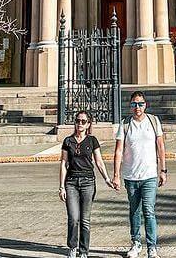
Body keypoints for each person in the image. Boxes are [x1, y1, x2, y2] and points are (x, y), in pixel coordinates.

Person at [112, 90, 167, 258]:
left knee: (149, 211)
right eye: (134, 104)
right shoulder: (125, 124)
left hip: (149, 175)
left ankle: (152, 246)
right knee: (134, 211)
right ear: (130, 106)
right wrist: (116, 175)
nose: (138, 107)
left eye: (140, 104)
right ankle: (136, 243)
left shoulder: (153, 121)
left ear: (145, 105)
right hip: (131, 176)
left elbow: (161, 147)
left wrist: (163, 170)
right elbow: (119, 150)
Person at [59, 109, 113, 258]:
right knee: (73, 218)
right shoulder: (68, 141)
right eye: (77, 121)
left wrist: (107, 179)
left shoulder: (92, 140)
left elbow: (99, 162)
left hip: (88, 182)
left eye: (83, 121)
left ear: (88, 124)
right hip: (71, 182)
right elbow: (64, 163)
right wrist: (61, 186)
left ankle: (83, 252)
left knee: (85, 220)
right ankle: (72, 247)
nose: (80, 124)